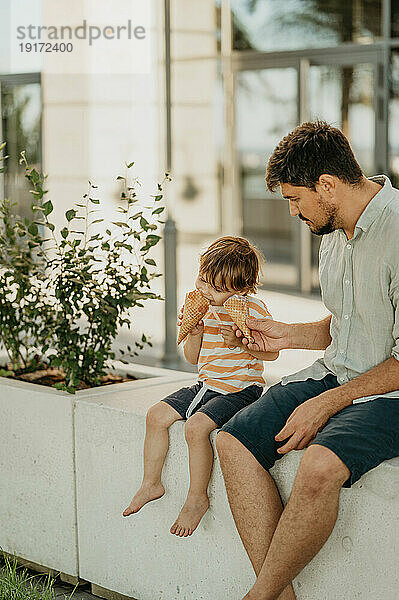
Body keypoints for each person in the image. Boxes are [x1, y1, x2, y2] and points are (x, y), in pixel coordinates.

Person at [216, 121, 399, 600]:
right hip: (338, 373)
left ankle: (259, 596)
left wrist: (327, 404)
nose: (294, 211)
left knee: (318, 467)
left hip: (390, 391)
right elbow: (345, 324)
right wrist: (286, 334)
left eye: (296, 198)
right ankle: (281, 597)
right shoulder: (333, 232)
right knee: (233, 443)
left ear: (328, 185)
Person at [123, 236, 279, 537]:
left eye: (217, 289)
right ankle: (150, 483)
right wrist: (193, 333)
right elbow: (193, 358)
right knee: (156, 415)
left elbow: (272, 353)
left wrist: (242, 342)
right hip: (207, 384)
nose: (205, 290)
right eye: (203, 280)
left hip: (239, 389)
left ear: (243, 289)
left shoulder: (254, 309)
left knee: (195, 428)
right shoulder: (204, 308)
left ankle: (197, 498)